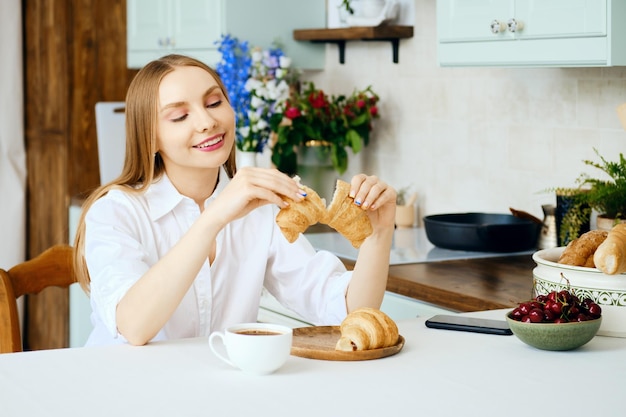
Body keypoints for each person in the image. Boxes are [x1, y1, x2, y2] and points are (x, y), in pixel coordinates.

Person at [73, 54, 396, 346]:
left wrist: (378, 235)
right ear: (150, 137)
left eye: (214, 103)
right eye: (179, 116)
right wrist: (214, 217)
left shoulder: (261, 207)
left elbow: (349, 311)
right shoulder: (116, 211)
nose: (206, 122)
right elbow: (134, 327)